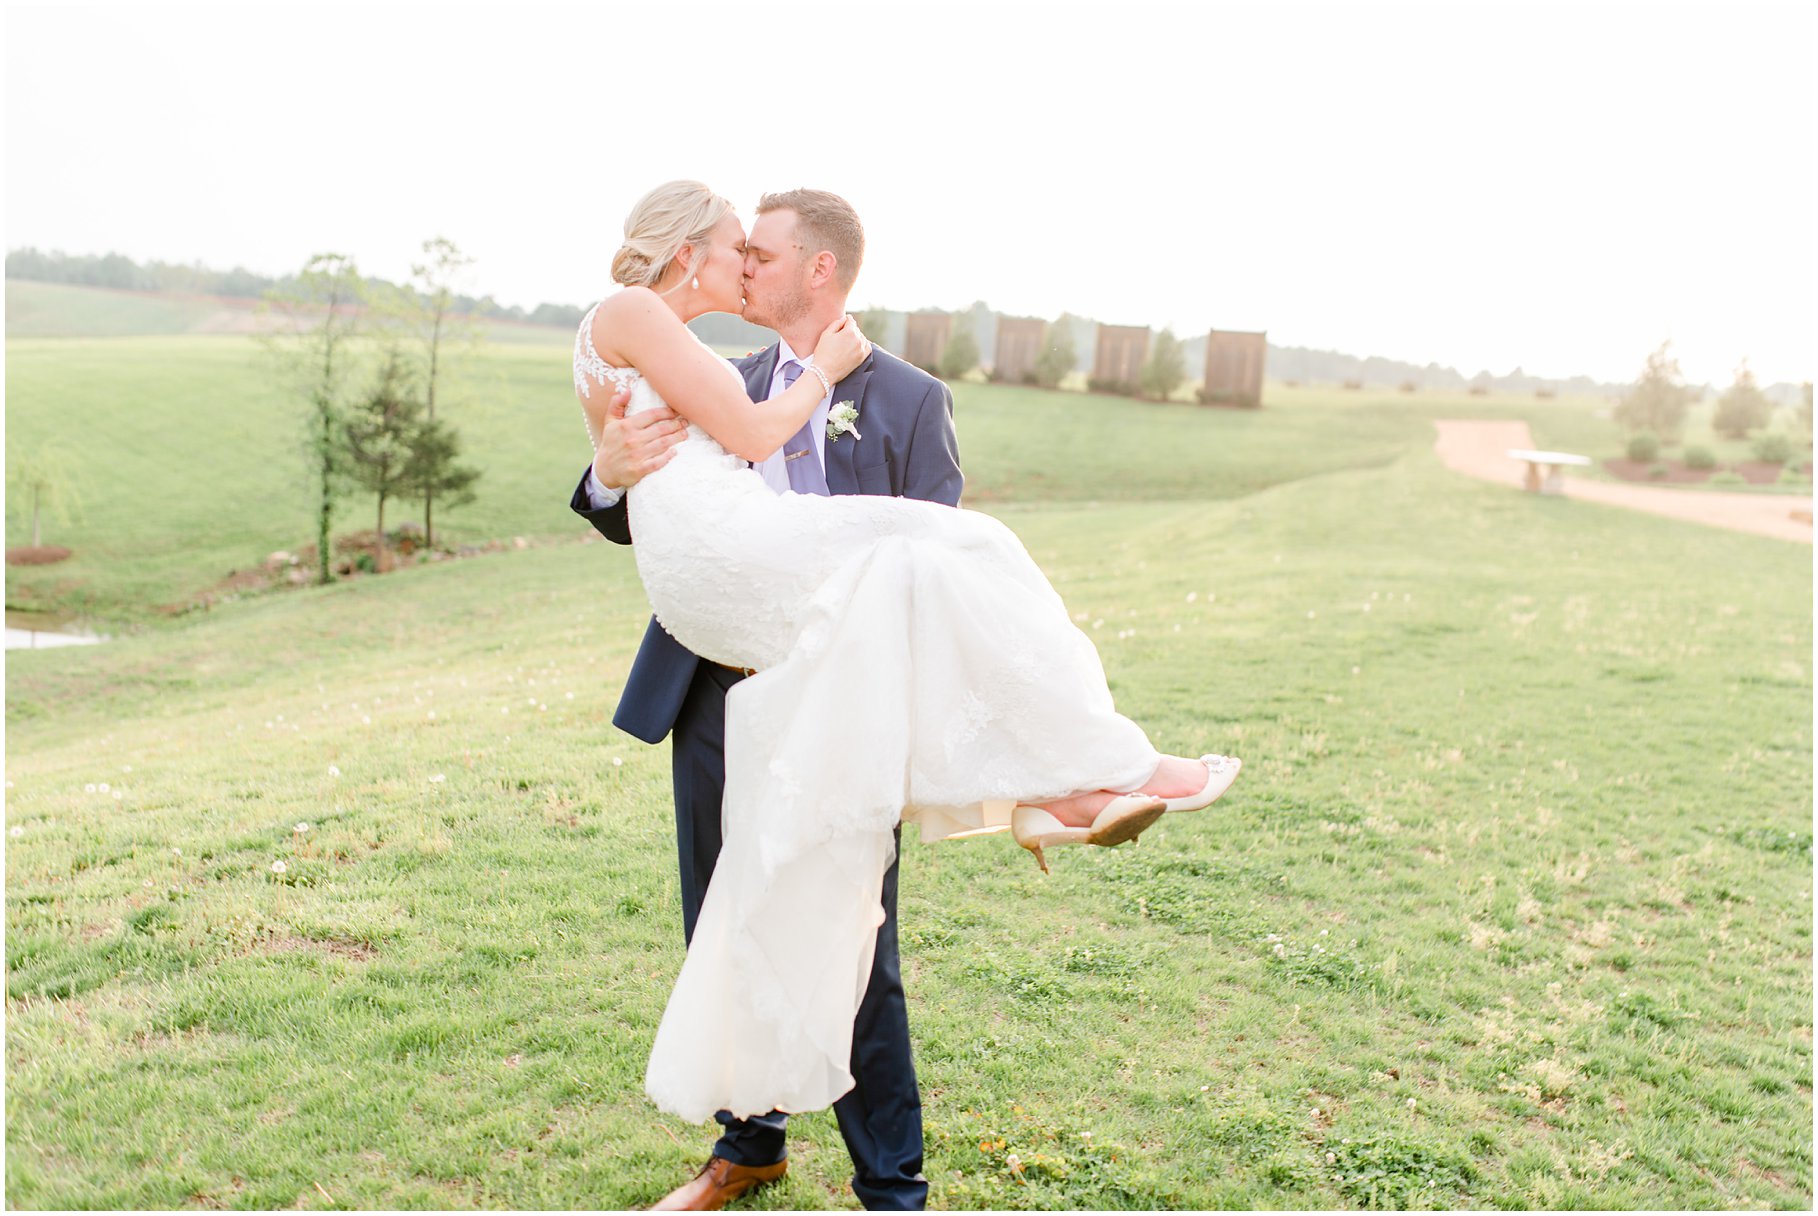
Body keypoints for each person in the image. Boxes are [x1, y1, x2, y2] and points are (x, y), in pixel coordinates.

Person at [572, 183, 1240, 1211]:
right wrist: (607, 470)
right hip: (714, 685)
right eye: (735, 251)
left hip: (843, 702)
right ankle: (748, 1144)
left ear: (820, 270)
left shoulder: (909, 398)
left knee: (852, 931)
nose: (745, 266)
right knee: (723, 911)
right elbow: (636, 501)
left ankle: (892, 1184)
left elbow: (940, 596)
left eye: (764, 253)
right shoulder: (714, 364)